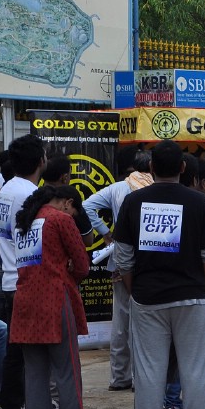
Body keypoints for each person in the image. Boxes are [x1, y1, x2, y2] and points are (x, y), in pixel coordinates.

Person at [114, 140, 205, 409]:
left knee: (149, 373)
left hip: (147, 299)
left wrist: (136, 288)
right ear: (182, 168)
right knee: (196, 371)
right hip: (192, 297)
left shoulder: (133, 202)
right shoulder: (199, 203)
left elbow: (123, 258)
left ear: (151, 169)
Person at [12, 185, 107, 409]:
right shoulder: (60, 220)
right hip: (54, 299)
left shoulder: (24, 221)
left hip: (24, 301)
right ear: (67, 203)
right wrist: (68, 275)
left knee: (35, 377)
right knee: (67, 373)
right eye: (75, 209)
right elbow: (82, 264)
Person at [83, 151, 153, 392]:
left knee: (120, 322)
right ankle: (139, 377)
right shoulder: (154, 189)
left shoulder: (117, 188)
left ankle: (119, 377)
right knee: (143, 321)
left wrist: (105, 232)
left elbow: (86, 206)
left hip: (119, 260)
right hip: (146, 262)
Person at [0, 133, 47, 409]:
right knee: (27, 357)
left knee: (15, 354)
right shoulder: (29, 194)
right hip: (23, 282)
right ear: (40, 160)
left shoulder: (7, 190)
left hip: (9, 278)